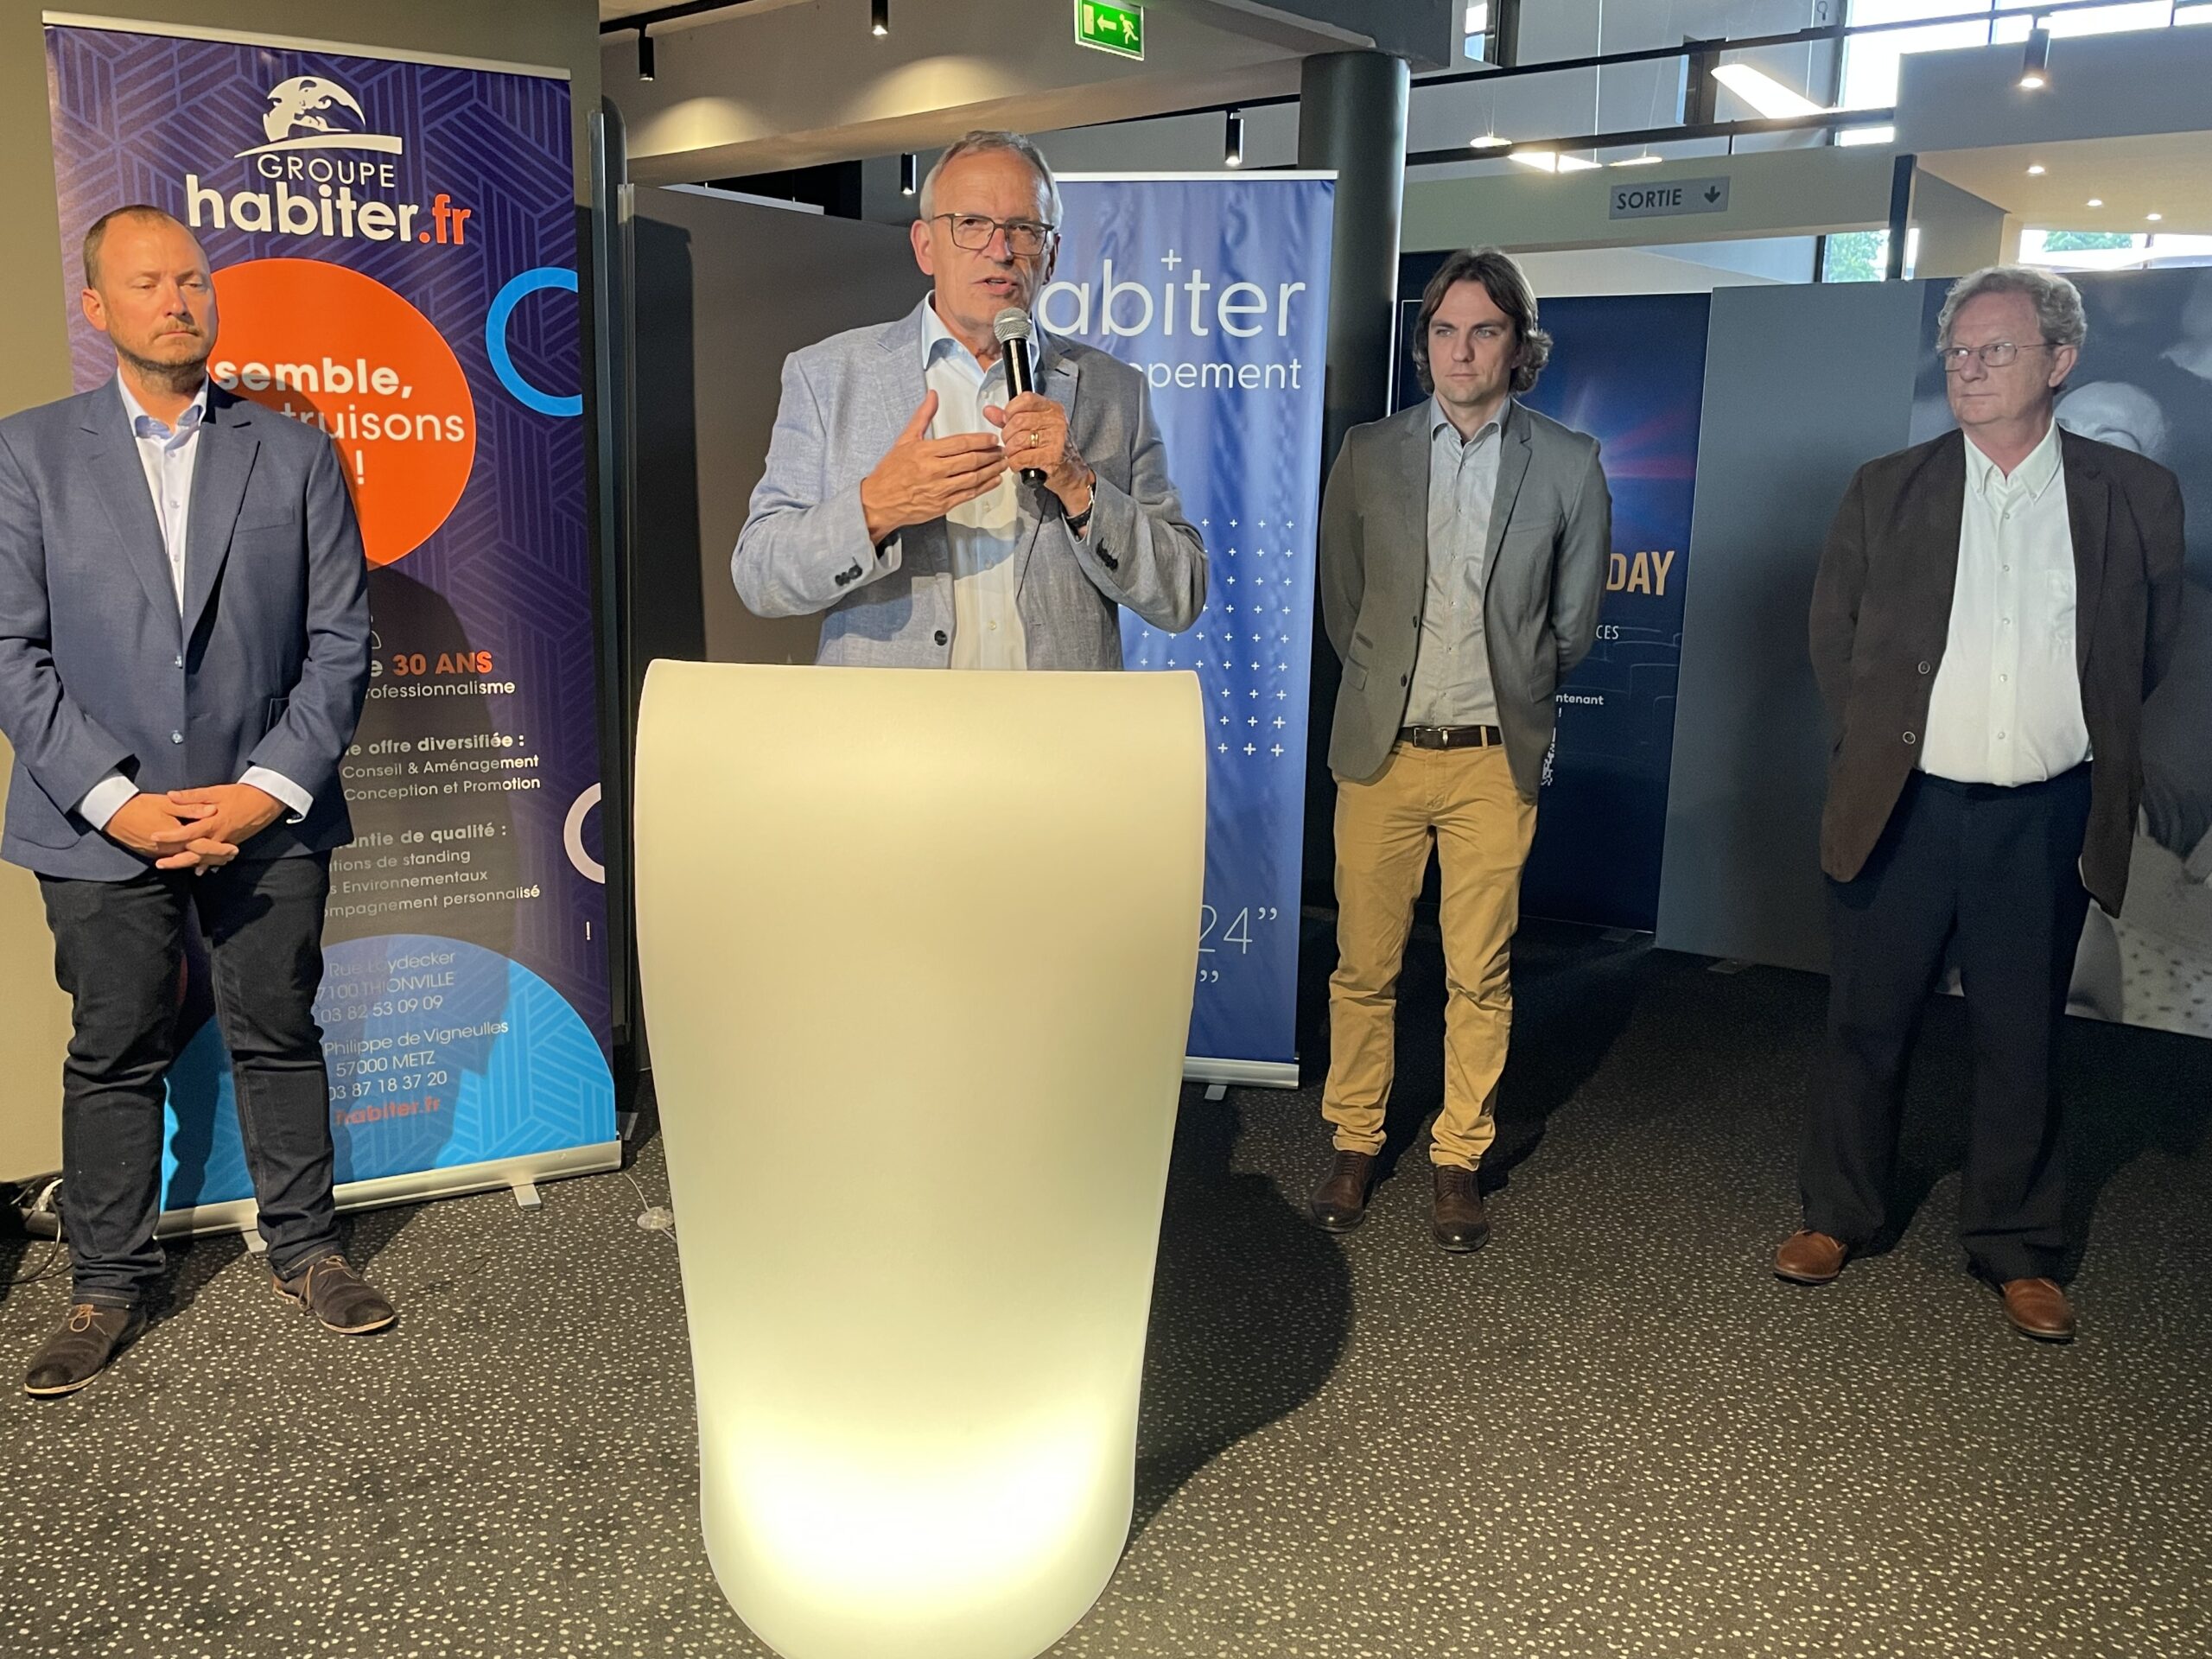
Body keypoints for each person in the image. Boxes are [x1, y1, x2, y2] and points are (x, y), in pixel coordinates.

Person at [0, 206, 385, 1398]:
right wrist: (112, 799)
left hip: (265, 813)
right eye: (148, 282)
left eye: (193, 280)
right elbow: (12, 649)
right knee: (114, 1048)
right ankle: (107, 1282)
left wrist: (265, 792)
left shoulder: (295, 453)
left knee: (279, 1031)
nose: (178, 300)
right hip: (94, 822)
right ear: (96, 306)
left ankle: (307, 1249)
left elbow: (341, 642)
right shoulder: (27, 453)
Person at [1781, 265, 2184, 1342]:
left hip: (2042, 817)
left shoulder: (2134, 495)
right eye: (1957, 350)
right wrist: (1883, 748)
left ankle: (2015, 1244)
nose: (1967, 367)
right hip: (1902, 807)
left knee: (2021, 1037)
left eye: (1993, 349)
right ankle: (1837, 1214)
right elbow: (1835, 640)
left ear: (2059, 361)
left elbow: (2142, 655)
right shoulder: (1886, 487)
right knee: (1864, 1022)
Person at [1306, 249, 1611, 1250]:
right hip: (1383, 753)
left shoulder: (1567, 461)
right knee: (1363, 964)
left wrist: (1513, 684)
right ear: (1424, 342)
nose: (1461, 350)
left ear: (1518, 345)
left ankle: (1457, 1155)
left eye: (1483, 330)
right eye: (1444, 330)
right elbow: (1345, 604)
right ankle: (1355, 1138)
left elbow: (1571, 625)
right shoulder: (1369, 452)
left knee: (1478, 973)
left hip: (1491, 758)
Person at [732, 129, 1205, 665]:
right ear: (925, 246)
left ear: (1050, 256)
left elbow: (1182, 594)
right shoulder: (828, 375)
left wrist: (1080, 486)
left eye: (1024, 229)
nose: (1000, 251)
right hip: (893, 718)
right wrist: (875, 507)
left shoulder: (1115, 390)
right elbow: (759, 577)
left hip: (1055, 718)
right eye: (972, 224)